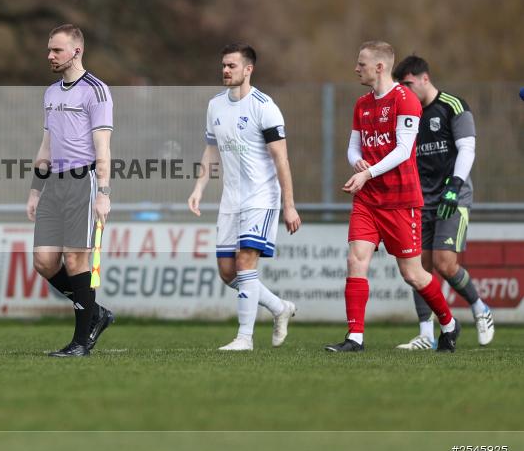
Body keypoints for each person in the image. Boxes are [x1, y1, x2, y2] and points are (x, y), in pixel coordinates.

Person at [326, 41, 461, 353]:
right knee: (355, 259)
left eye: (361, 64)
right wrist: (356, 162)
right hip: (368, 199)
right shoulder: (362, 104)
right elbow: (353, 146)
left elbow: (403, 150)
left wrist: (368, 172)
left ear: (379, 67)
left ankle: (449, 324)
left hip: (401, 200)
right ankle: (355, 338)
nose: (356, 68)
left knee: (412, 274)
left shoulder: (406, 99)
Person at [188, 43, 301, 351]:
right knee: (228, 272)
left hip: (261, 197)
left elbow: (281, 160)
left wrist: (289, 206)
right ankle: (279, 307)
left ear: (248, 69)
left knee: (245, 263)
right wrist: (198, 189)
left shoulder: (264, 106)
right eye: (223, 65)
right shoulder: (215, 106)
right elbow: (211, 151)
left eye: (232, 66)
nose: (225, 70)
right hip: (230, 200)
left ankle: (244, 338)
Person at [392, 55, 493, 349]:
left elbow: (468, 148)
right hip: (420, 199)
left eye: (409, 84)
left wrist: (455, 184)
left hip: (453, 196)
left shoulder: (453, 106)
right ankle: (426, 334)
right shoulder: (407, 113)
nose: (406, 91)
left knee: (445, 264)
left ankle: (479, 308)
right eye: (403, 86)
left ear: (425, 78)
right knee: (417, 268)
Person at [25, 24, 115, 357]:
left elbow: (102, 147)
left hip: (83, 181)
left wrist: (103, 192)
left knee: (76, 259)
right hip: (54, 184)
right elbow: (46, 144)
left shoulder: (96, 91)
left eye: (56, 50)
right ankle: (95, 313)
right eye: (49, 49)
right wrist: (35, 189)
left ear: (76, 51)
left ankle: (80, 342)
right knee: (44, 261)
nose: (50, 55)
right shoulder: (50, 93)